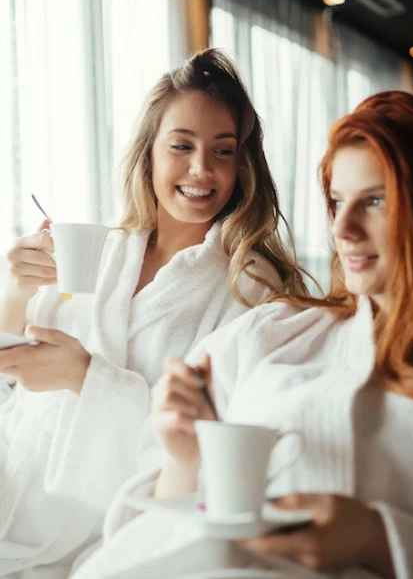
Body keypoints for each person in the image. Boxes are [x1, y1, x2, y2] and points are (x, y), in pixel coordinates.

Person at [72, 90, 413, 579]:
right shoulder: (274, 329)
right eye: (337, 201)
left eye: (376, 201)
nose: (343, 228)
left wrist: (379, 540)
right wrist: (184, 456)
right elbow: (147, 524)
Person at [0, 48, 308, 578]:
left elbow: (218, 441)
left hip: (113, 536)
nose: (201, 169)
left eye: (223, 150)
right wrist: (16, 293)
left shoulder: (253, 290)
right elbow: (11, 378)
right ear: (149, 154)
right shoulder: (98, 252)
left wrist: (86, 379)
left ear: (243, 164)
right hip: (13, 498)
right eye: (181, 146)